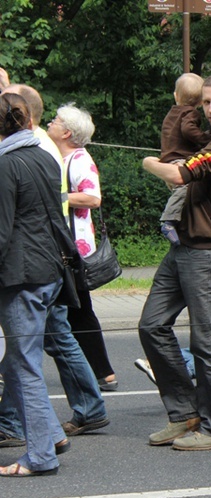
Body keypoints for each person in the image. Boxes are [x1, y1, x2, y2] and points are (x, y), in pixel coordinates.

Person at [138, 73, 211, 451]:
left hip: (205, 251)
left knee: (206, 342)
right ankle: (185, 413)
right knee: (151, 326)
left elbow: (176, 173)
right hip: (182, 246)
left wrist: (149, 161)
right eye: (206, 103)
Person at [0, 92, 71, 476]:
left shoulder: (6, 164)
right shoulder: (44, 155)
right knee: (15, 363)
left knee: (23, 365)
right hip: (46, 270)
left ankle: (41, 455)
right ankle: (52, 434)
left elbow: (1, 231)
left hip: (21, 276)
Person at [47, 103, 119, 392]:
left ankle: (103, 372)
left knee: (78, 310)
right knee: (77, 309)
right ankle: (101, 372)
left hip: (74, 249)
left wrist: (56, 196)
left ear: (66, 132)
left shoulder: (79, 159)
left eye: (55, 120)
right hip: (63, 246)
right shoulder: (61, 158)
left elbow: (92, 198)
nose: (50, 123)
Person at [158, 73, 211, 244]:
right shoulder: (191, 113)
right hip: (179, 162)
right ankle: (168, 220)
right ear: (201, 101)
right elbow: (188, 130)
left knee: (184, 196)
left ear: (176, 95)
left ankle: (182, 226)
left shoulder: (171, 113)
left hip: (167, 161)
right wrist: (205, 139)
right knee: (186, 188)